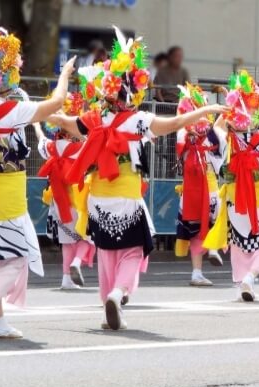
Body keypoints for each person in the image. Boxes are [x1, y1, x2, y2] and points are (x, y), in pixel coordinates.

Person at [50, 26, 228, 331]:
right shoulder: (138, 120)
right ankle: (118, 295)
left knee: (107, 253)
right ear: (133, 92)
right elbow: (174, 123)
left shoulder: (95, 118)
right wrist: (206, 110)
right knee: (135, 250)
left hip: (97, 203)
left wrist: (61, 81)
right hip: (127, 199)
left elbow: (59, 118)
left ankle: (109, 297)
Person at [0, 21, 77, 340]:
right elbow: (54, 104)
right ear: (4, 76)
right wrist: (64, 76)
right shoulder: (10, 110)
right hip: (9, 192)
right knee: (16, 255)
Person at [204, 69, 259, 302]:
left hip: (235, 201)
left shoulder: (225, 141)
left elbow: (215, 130)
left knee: (239, 243)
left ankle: (241, 282)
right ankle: (250, 279)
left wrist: (227, 109)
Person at [34, 92, 95, 291]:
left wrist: (36, 126)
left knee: (68, 242)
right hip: (79, 200)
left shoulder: (52, 148)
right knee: (88, 238)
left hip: (60, 204)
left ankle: (66, 278)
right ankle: (77, 263)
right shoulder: (80, 147)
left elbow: (41, 142)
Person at [174, 83, 224, 286]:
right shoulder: (212, 136)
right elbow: (222, 127)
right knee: (219, 220)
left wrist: (184, 104)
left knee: (194, 233)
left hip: (189, 194)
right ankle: (213, 248)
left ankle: (196, 272)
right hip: (210, 190)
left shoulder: (183, 136)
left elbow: (179, 121)